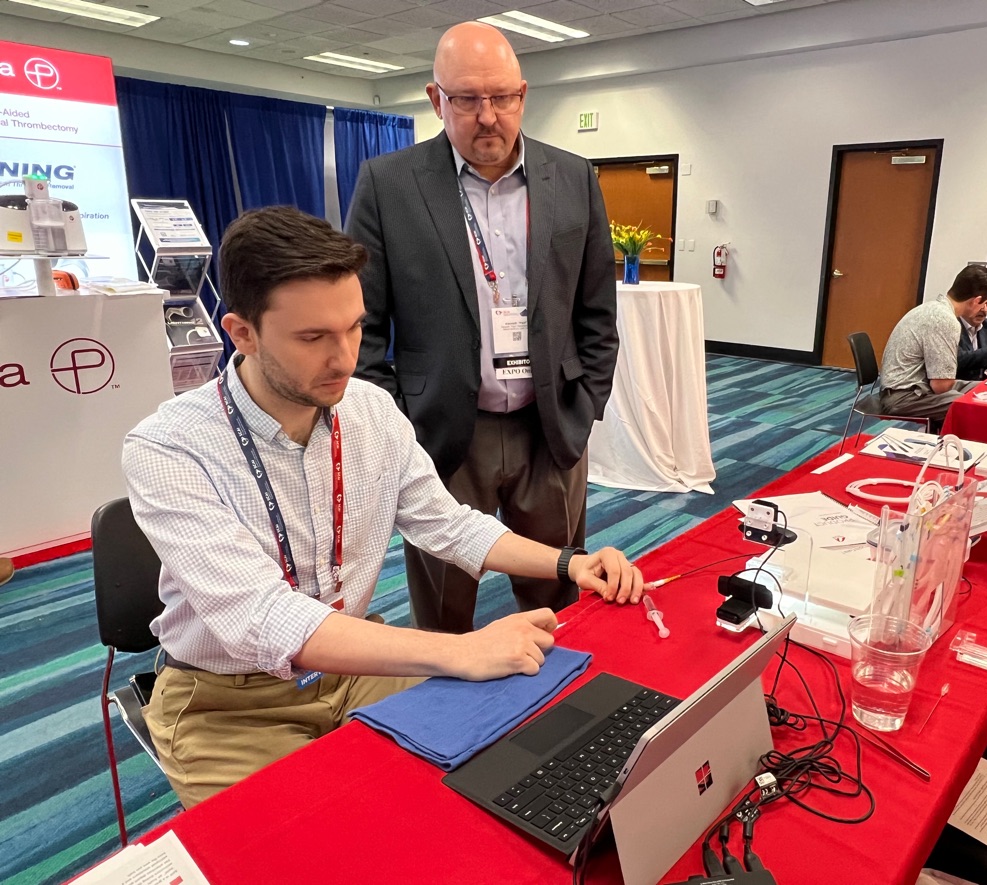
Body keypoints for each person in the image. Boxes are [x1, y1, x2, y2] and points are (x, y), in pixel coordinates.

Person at [123, 207, 643, 809]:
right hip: (228, 704)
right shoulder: (168, 446)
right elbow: (262, 617)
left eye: (353, 329)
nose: (345, 357)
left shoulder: (369, 409)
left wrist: (567, 564)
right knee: (301, 851)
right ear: (242, 333)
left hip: (357, 663)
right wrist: (458, 649)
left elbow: (445, 524)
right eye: (313, 338)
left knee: (487, 780)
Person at [346, 22, 618, 634]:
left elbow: (597, 307)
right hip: (441, 432)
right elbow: (360, 325)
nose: (487, 116)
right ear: (435, 98)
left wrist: (587, 400)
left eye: (502, 97)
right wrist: (399, 424)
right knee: (444, 607)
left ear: (523, 94)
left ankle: (555, 716)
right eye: (467, 99)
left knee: (557, 593)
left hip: (549, 428)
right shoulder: (389, 185)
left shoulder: (573, 178)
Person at [879, 264, 987, 428]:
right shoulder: (945, 320)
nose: (986, 308)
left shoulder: (932, 308)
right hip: (904, 397)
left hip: (914, 388)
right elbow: (941, 386)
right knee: (978, 406)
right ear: (977, 300)